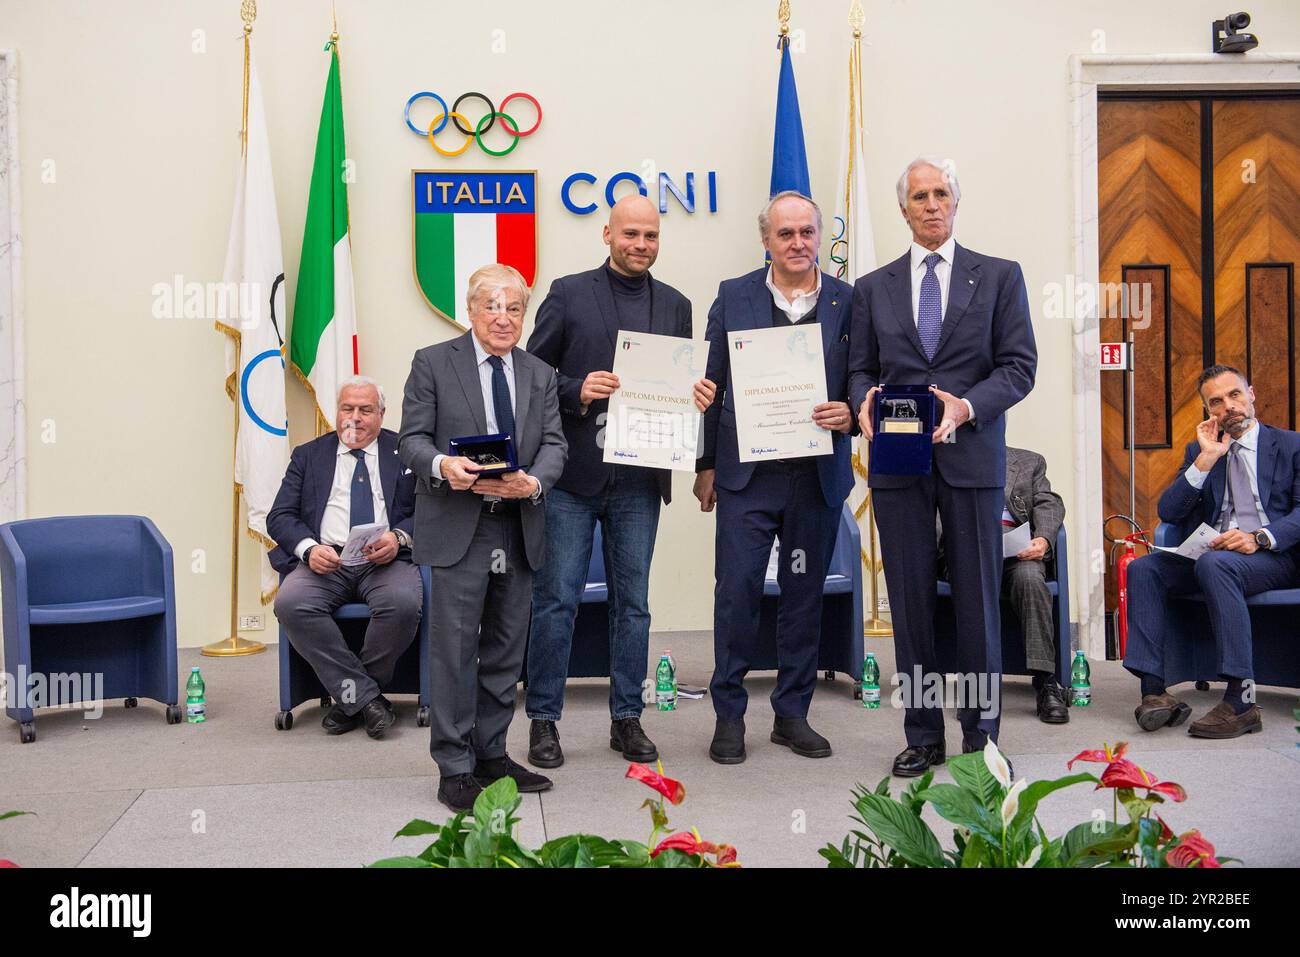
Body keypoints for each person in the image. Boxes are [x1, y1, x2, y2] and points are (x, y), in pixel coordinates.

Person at [849, 156, 1037, 777]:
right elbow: (860, 370)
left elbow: (1018, 367)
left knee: (979, 602)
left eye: (941, 194)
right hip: (900, 463)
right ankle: (923, 733)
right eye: (919, 196)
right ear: (903, 209)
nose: (931, 204)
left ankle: (981, 738)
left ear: (955, 203)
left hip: (972, 458)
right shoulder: (873, 287)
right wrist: (862, 402)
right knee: (910, 601)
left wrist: (967, 405)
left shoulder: (1001, 276)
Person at [523, 194, 715, 768]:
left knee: (633, 606)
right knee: (556, 601)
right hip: (573, 478)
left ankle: (626, 718)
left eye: (651, 236)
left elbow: (683, 390)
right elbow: (532, 376)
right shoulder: (568, 292)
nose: (641, 245)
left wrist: (699, 404)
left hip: (639, 480)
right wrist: (576, 389)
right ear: (606, 233)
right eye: (630, 234)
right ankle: (543, 721)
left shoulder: (678, 305)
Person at [694, 190, 855, 765]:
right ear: (766, 240)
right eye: (785, 234)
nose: (797, 243)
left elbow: (862, 375)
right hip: (747, 475)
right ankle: (730, 716)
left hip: (815, 477)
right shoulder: (732, 296)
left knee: (803, 595)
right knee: (736, 593)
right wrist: (705, 464)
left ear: (820, 237)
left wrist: (852, 413)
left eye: (807, 232)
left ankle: (792, 714)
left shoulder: (846, 300)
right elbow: (710, 381)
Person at [399, 263, 568, 812]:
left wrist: (535, 481)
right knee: (455, 649)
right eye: (492, 306)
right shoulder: (432, 363)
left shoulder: (540, 373)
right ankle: (453, 766)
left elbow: (556, 446)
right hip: (458, 525)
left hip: (517, 524)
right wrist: (444, 465)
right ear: (470, 310)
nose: (503, 317)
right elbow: (411, 439)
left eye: (514, 307)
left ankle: (492, 755)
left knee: (503, 650)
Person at [1125, 364, 1300, 739]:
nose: (1228, 406)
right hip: (1212, 557)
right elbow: (1169, 512)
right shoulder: (1201, 450)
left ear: (1251, 394)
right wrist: (1206, 459)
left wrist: (1260, 537)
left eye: (1234, 395)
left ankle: (1241, 701)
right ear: (1210, 411)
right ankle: (1155, 692)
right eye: (1216, 402)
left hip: (1276, 556)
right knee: (1145, 569)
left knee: (1216, 565)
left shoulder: (1290, 445)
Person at [269, 376, 422, 739]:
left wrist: (398, 536)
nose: (355, 417)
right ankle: (368, 699)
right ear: (336, 413)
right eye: (347, 408)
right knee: (291, 603)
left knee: (401, 604)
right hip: (327, 560)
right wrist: (309, 548)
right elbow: (280, 516)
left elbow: (429, 511)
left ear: (381, 414)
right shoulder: (308, 455)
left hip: (384, 558)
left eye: (365, 410)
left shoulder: (406, 451)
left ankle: (351, 696)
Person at [941, 447, 1069, 723]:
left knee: (1031, 580)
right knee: (971, 583)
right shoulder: (948, 460)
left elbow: (1050, 503)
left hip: (1017, 550)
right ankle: (975, 691)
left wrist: (1043, 539)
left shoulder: (1029, 462)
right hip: (967, 550)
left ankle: (1046, 683)